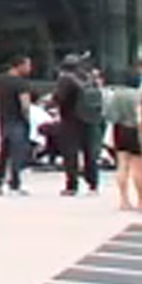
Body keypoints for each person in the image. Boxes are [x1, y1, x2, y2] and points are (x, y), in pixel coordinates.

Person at [53, 60, 102, 196]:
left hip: (71, 120)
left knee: (71, 153)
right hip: (90, 119)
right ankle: (93, 184)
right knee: (90, 152)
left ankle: (72, 185)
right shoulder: (89, 78)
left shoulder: (65, 79)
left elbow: (59, 98)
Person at [0, 56, 34, 196]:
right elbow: (25, 104)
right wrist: (27, 119)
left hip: (4, 119)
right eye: (27, 65)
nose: (29, 68)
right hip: (17, 121)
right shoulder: (21, 83)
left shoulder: (1, 80)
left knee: (4, 152)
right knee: (17, 153)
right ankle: (14, 183)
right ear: (19, 66)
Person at [105, 69, 142, 211]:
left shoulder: (116, 95)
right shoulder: (140, 95)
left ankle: (124, 200)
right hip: (136, 130)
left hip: (120, 129)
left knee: (122, 164)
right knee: (139, 167)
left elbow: (109, 115)